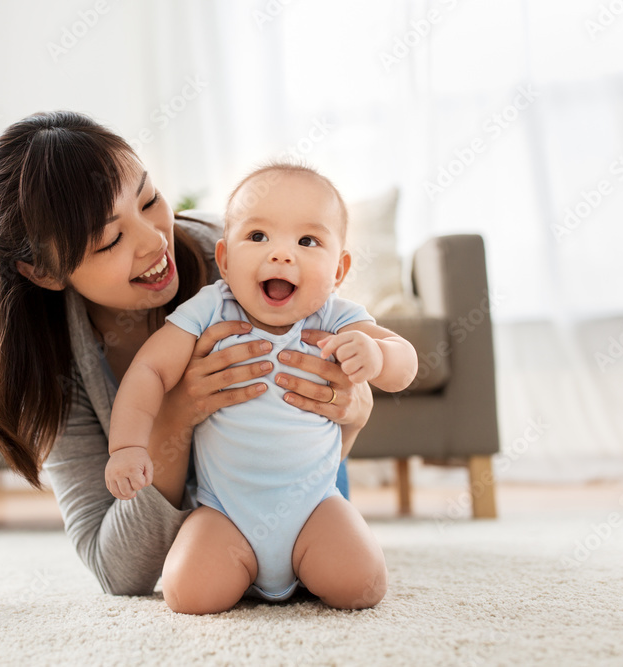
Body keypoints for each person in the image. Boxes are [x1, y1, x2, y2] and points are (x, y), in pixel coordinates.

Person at [0, 110, 376, 601]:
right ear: (43, 273)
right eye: (111, 239)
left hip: (310, 499)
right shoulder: (53, 366)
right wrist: (174, 417)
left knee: (350, 574)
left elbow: (331, 398)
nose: (154, 239)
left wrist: (353, 413)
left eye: (149, 199)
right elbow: (117, 570)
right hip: (214, 538)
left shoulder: (244, 264)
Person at [105, 163, 418, 614]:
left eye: (308, 241)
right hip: (225, 514)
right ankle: (244, 568)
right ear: (226, 260)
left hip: (315, 506)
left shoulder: (335, 316)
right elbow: (149, 371)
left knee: (361, 586)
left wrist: (378, 355)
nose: (282, 255)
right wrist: (128, 446)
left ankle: (307, 562)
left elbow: (403, 362)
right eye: (258, 237)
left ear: (339, 269)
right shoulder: (210, 308)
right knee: (188, 594)